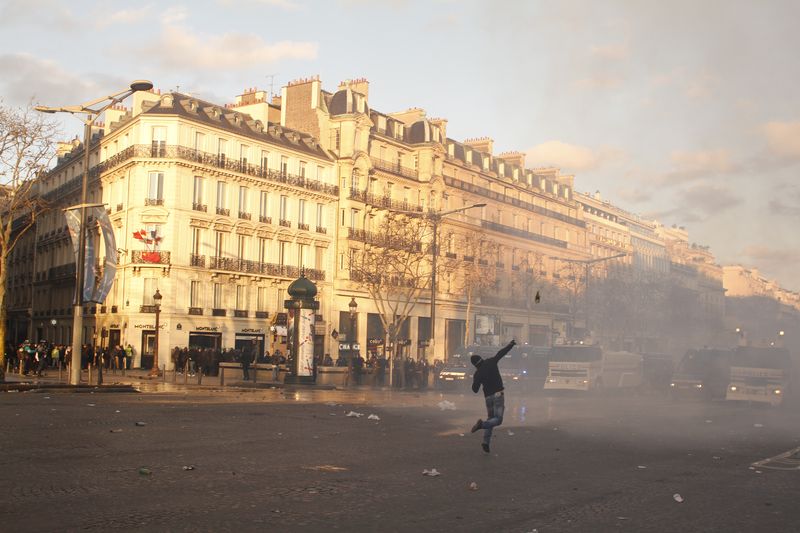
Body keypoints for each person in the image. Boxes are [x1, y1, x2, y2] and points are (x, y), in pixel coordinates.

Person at [470, 339, 515, 454]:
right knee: (498, 420)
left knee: (491, 419)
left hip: (488, 398)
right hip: (498, 394)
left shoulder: (478, 373)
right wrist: (510, 345)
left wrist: (476, 378)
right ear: (482, 359)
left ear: (475, 365)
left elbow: (475, 389)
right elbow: (501, 353)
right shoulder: (491, 362)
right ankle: (482, 425)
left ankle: (486, 442)